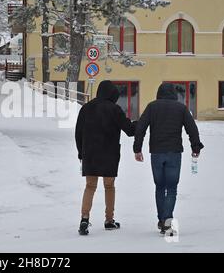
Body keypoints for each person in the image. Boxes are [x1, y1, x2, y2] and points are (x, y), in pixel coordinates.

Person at [133, 83, 204, 235]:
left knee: (160, 186)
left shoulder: (152, 107)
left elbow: (140, 128)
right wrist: (195, 147)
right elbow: (192, 128)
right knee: (171, 188)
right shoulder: (181, 108)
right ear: (174, 94)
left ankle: (161, 220)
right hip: (174, 152)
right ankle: (167, 220)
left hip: (157, 152)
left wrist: (137, 149)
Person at [75, 80, 136, 235]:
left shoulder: (86, 108)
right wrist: (142, 123)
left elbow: (78, 133)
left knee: (90, 186)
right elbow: (130, 130)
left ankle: (84, 218)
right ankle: (109, 220)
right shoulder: (114, 109)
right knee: (109, 187)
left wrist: (81, 152)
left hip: (90, 154)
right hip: (109, 154)